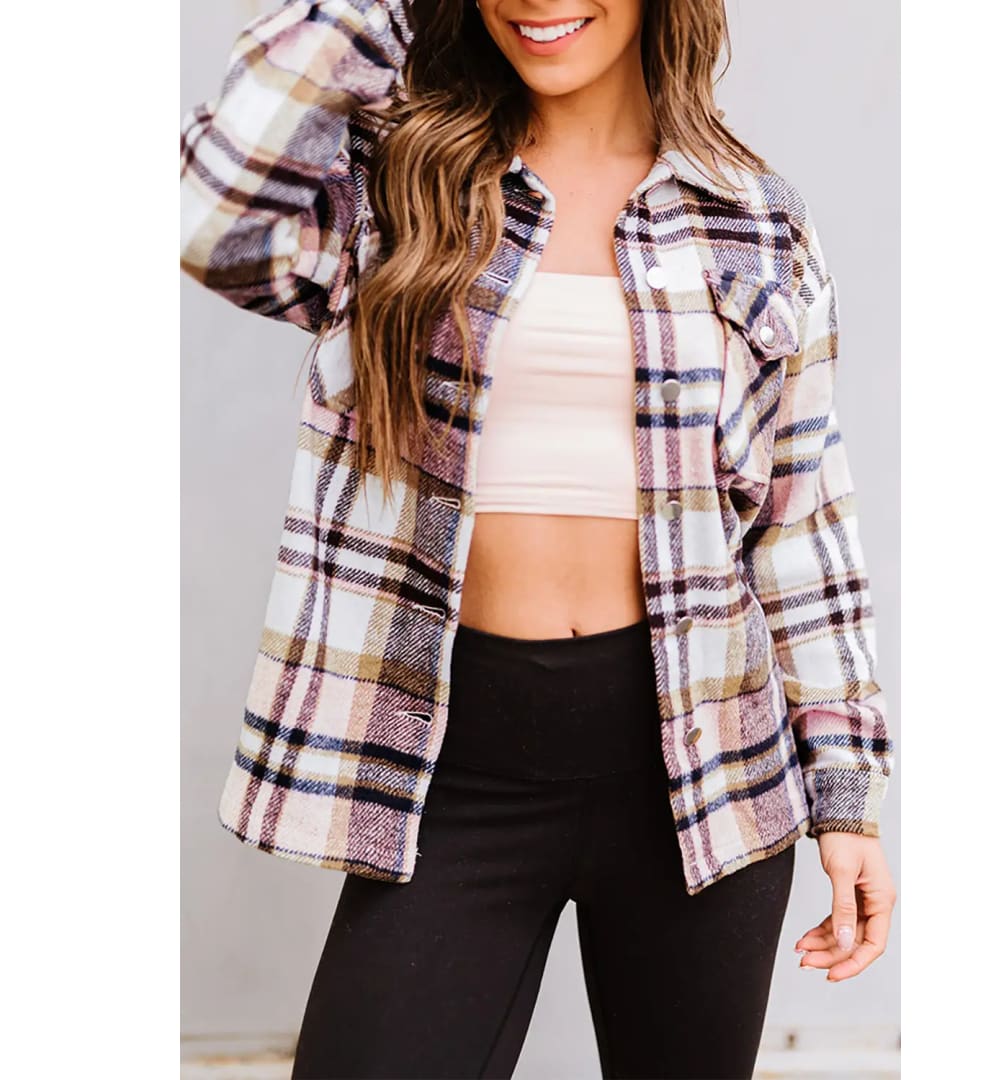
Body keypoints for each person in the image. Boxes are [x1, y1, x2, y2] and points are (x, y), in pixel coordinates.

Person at [180, 1, 898, 1077]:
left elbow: (802, 528)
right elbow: (210, 219)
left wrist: (847, 797)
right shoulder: (399, 185)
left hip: (699, 773)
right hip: (453, 768)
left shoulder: (754, 219)